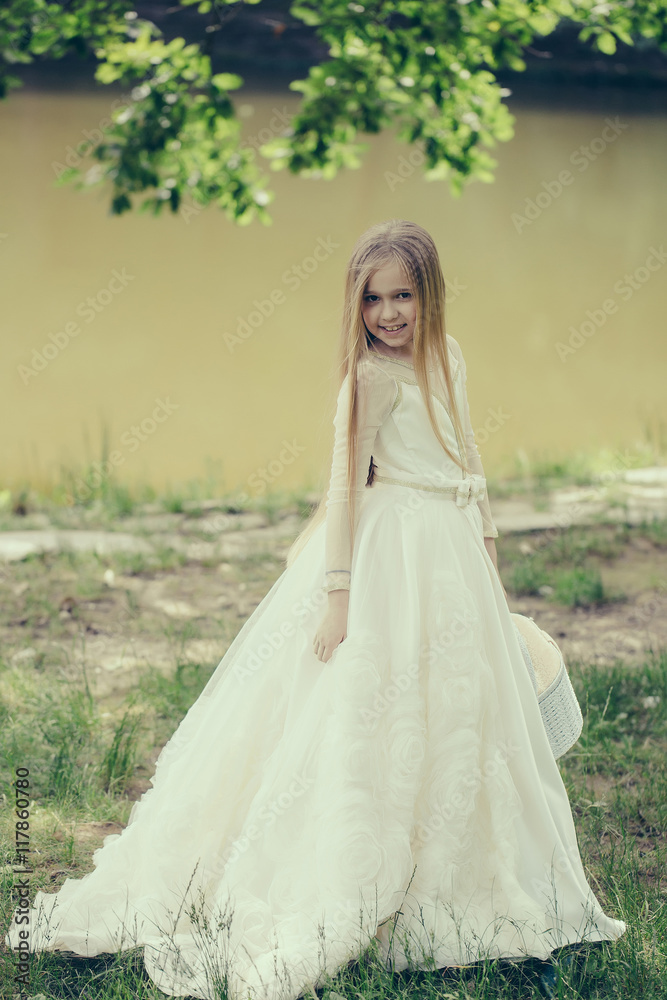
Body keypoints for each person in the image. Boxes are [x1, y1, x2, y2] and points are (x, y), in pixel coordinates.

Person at [6, 218, 626, 999]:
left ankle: (460, 874)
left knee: (457, 707)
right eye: (374, 299)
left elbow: (468, 456)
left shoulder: (449, 357)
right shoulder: (369, 378)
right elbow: (343, 489)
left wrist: (489, 549)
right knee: (377, 706)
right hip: (389, 554)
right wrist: (336, 596)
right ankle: (362, 876)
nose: (390, 313)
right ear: (356, 305)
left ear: (430, 293)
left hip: (450, 552)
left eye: (403, 294)